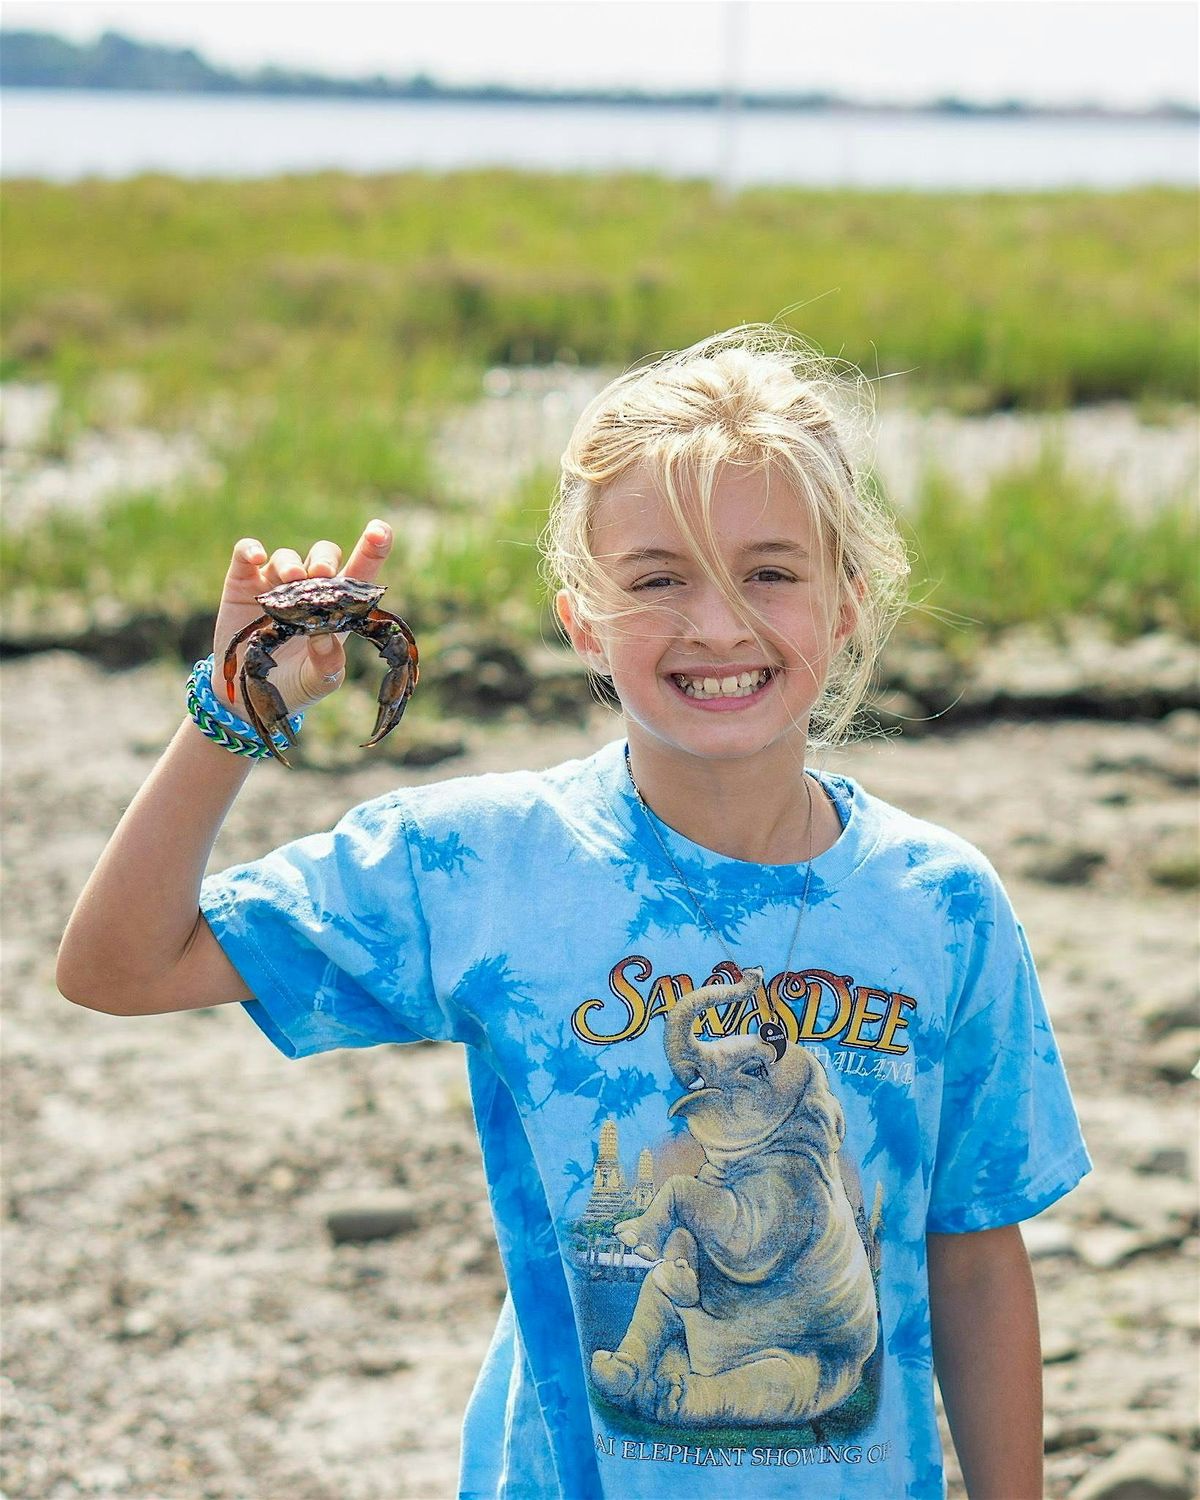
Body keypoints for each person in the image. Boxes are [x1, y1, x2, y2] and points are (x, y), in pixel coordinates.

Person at [58, 327, 1090, 1500]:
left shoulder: (941, 904)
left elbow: (972, 1253)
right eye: (658, 579)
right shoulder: (483, 862)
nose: (716, 627)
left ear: (846, 603)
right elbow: (119, 966)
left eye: (770, 571)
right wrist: (231, 709)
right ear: (582, 621)